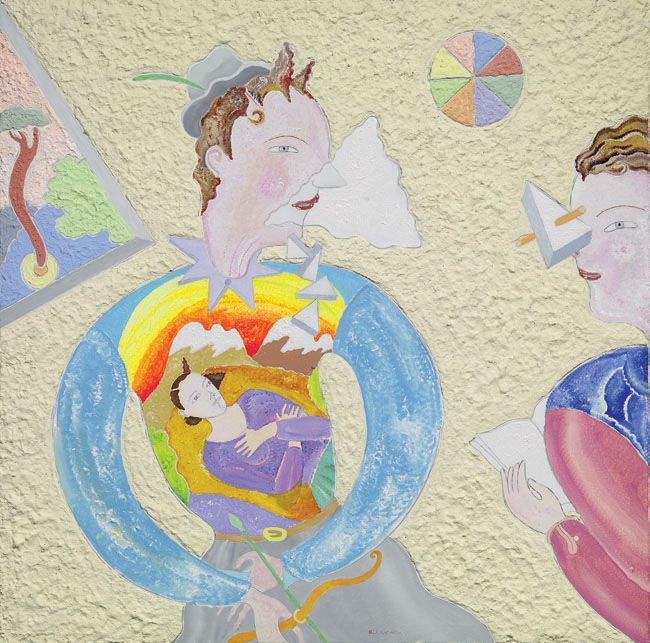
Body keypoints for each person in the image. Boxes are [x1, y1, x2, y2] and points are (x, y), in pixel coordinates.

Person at [499, 115, 648, 642]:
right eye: (578, 226)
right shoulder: (596, 402)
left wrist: (561, 531)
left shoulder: (589, 410)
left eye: (619, 225)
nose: (580, 251)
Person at [169, 358, 332, 534]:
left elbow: (324, 428)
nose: (209, 394)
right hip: (320, 484)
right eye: (196, 397)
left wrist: (269, 431)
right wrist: (294, 441)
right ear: (186, 413)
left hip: (333, 450)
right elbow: (282, 487)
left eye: (206, 385)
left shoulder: (254, 400)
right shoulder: (216, 458)